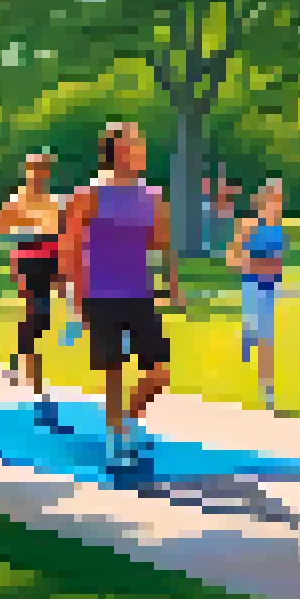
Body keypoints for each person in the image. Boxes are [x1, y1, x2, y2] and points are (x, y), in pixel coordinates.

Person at [58, 122, 178, 466]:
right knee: (114, 371)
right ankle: (115, 443)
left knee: (159, 374)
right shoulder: (88, 195)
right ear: (115, 150)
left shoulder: (152, 195)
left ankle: (125, 422)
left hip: (140, 293)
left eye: (140, 142)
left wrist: (172, 283)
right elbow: (70, 248)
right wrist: (74, 297)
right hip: (100, 294)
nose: (140, 149)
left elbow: (161, 244)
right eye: (133, 143)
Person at [0, 151, 65, 397]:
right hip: (27, 261)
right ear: (27, 171)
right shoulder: (18, 198)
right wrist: (21, 226)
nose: (40, 175)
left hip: (50, 261)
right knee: (36, 314)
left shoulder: (54, 201)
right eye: (36, 170)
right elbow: (0, 227)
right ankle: (36, 386)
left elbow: (60, 234)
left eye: (44, 170)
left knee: (41, 319)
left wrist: (62, 269)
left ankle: (18, 355)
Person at [229, 177, 289, 410]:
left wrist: (274, 269)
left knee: (267, 340)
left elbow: (279, 264)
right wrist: (255, 264)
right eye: (272, 199)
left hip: (269, 289)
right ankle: (247, 336)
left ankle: (268, 391)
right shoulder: (249, 226)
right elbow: (232, 258)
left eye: (279, 200)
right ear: (262, 201)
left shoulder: (279, 230)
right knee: (258, 333)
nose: (276, 204)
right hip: (252, 287)